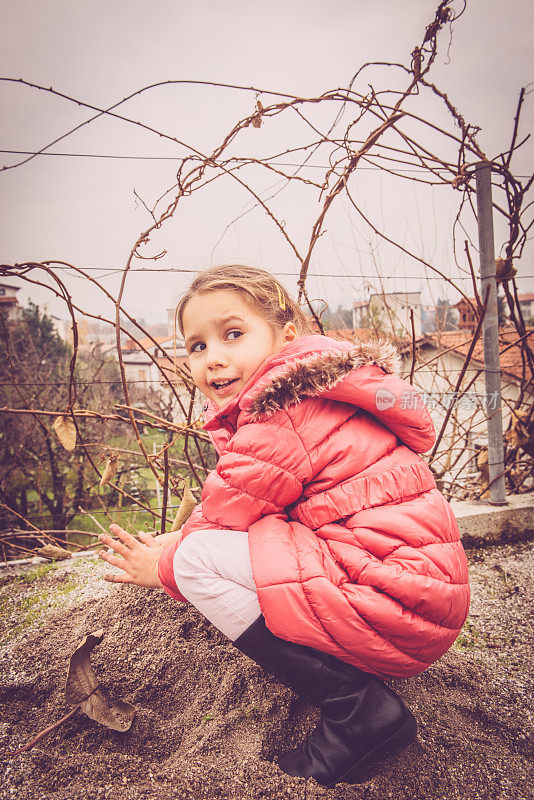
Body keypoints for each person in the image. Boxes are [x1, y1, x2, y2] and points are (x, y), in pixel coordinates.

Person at [99, 264, 470, 788]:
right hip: (417, 589)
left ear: (285, 336)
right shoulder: (323, 388)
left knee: (192, 562)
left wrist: (160, 563)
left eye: (233, 334)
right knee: (199, 547)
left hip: (394, 597)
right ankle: (357, 696)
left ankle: (357, 710)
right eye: (197, 346)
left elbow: (228, 516)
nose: (215, 357)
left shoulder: (281, 413)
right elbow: (247, 505)